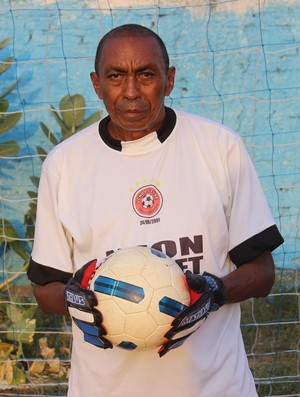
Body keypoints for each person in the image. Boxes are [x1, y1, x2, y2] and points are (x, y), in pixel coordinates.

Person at [27, 24, 284, 397]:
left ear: (169, 80)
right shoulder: (65, 165)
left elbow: (262, 273)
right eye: (116, 76)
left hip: (215, 387)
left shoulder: (219, 148)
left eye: (146, 74)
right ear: (97, 84)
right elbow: (45, 288)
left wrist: (214, 293)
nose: (131, 92)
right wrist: (75, 299)